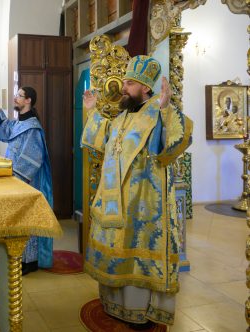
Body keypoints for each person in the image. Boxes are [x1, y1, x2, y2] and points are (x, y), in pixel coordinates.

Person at [80, 55, 193, 328]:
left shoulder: (157, 113)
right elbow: (105, 141)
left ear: (145, 87)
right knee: (115, 252)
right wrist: (92, 111)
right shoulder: (123, 115)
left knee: (136, 256)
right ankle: (115, 306)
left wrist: (166, 110)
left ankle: (141, 311)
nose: (123, 87)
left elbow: (175, 144)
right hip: (113, 201)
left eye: (129, 83)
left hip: (143, 205)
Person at [0, 87, 54, 275]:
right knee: (17, 221)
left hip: (25, 182)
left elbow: (34, 156)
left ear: (28, 100)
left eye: (19, 96)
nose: (15, 98)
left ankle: (30, 261)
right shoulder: (18, 124)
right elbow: (4, 130)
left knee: (26, 220)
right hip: (14, 180)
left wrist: (16, 178)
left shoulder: (32, 127)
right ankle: (18, 257)